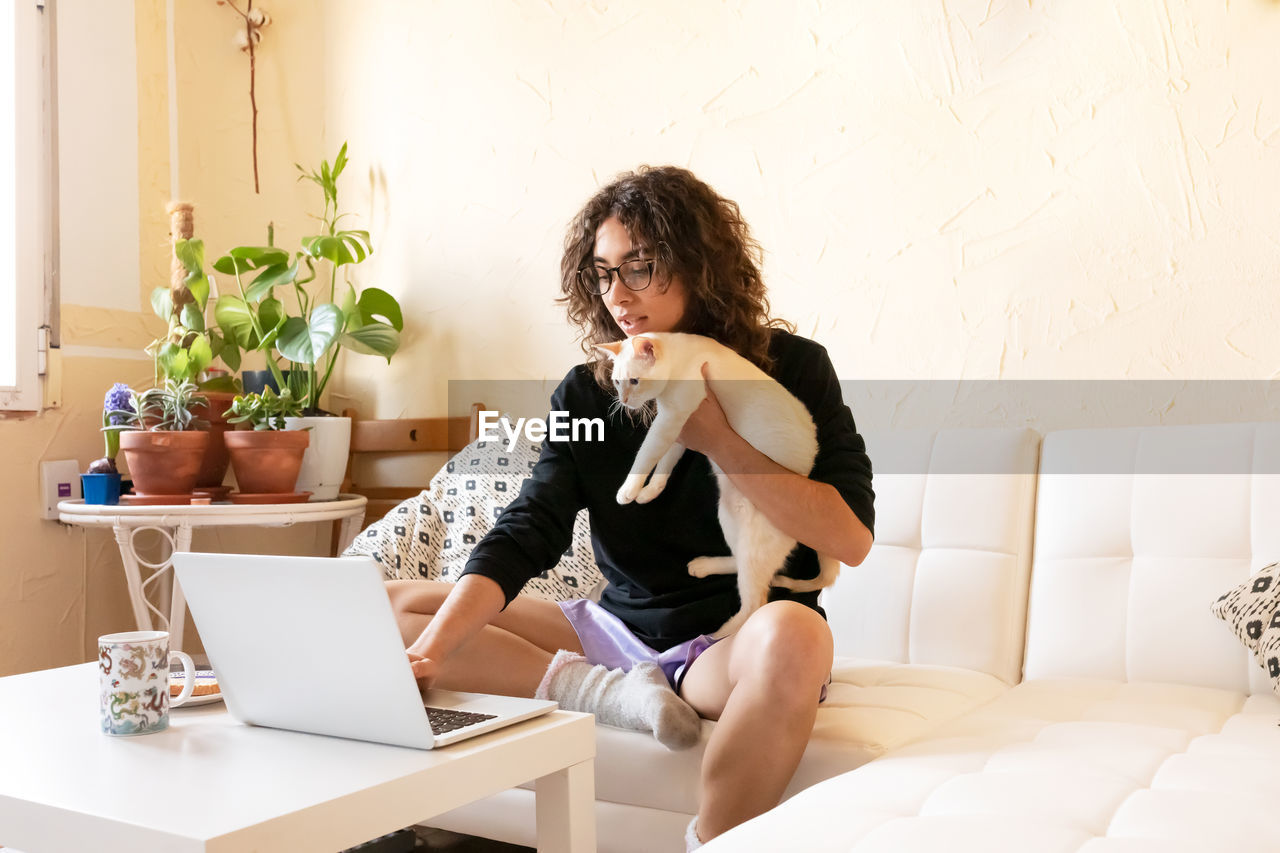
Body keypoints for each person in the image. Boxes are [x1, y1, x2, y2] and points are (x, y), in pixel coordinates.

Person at [386, 165, 875, 849]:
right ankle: (610, 694)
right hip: (613, 636)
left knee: (797, 636)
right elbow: (533, 525)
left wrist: (718, 441)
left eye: (640, 268)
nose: (617, 294)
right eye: (603, 273)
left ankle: (714, 838)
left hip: (726, 647)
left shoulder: (792, 368)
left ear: (698, 264)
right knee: (389, 607)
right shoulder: (587, 394)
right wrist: (431, 650)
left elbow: (849, 537)